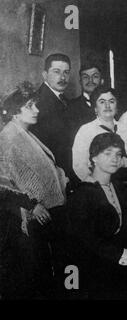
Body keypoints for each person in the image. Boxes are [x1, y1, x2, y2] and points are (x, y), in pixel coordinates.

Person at [66, 133, 127, 299]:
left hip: (114, 252)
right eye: (107, 153)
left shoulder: (115, 186)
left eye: (118, 154)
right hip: (95, 263)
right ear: (94, 158)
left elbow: (124, 207)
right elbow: (89, 241)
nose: (115, 159)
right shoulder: (81, 195)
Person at [0, 81, 68, 298]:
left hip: (43, 215)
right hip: (23, 218)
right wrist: (30, 204)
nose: (36, 109)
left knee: (43, 273)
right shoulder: (8, 137)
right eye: (30, 105)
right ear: (14, 112)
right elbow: (3, 183)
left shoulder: (25, 133)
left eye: (35, 104)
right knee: (29, 277)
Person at [72, 86, 127, 184]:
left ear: (117, 107)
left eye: (111, 101)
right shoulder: (86, 130)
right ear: (95, 108)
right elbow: (79, 165)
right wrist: (95, 184)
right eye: (102, 102)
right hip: (98, 184)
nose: (107, 106)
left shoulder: (126, 129)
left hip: (125, 183)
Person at [30, 53, 77, 186]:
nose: (63, 77)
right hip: (53, 177)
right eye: (56, 72)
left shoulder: (64, 100)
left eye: (66, 72)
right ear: (45, 75)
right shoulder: (37, 103)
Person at [68, 61, 104, 136]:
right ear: (80, 82)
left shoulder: (111, 104)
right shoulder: (70, 107)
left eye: (95, 76)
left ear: (102, 81)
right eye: (85, 77)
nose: (90, 80)